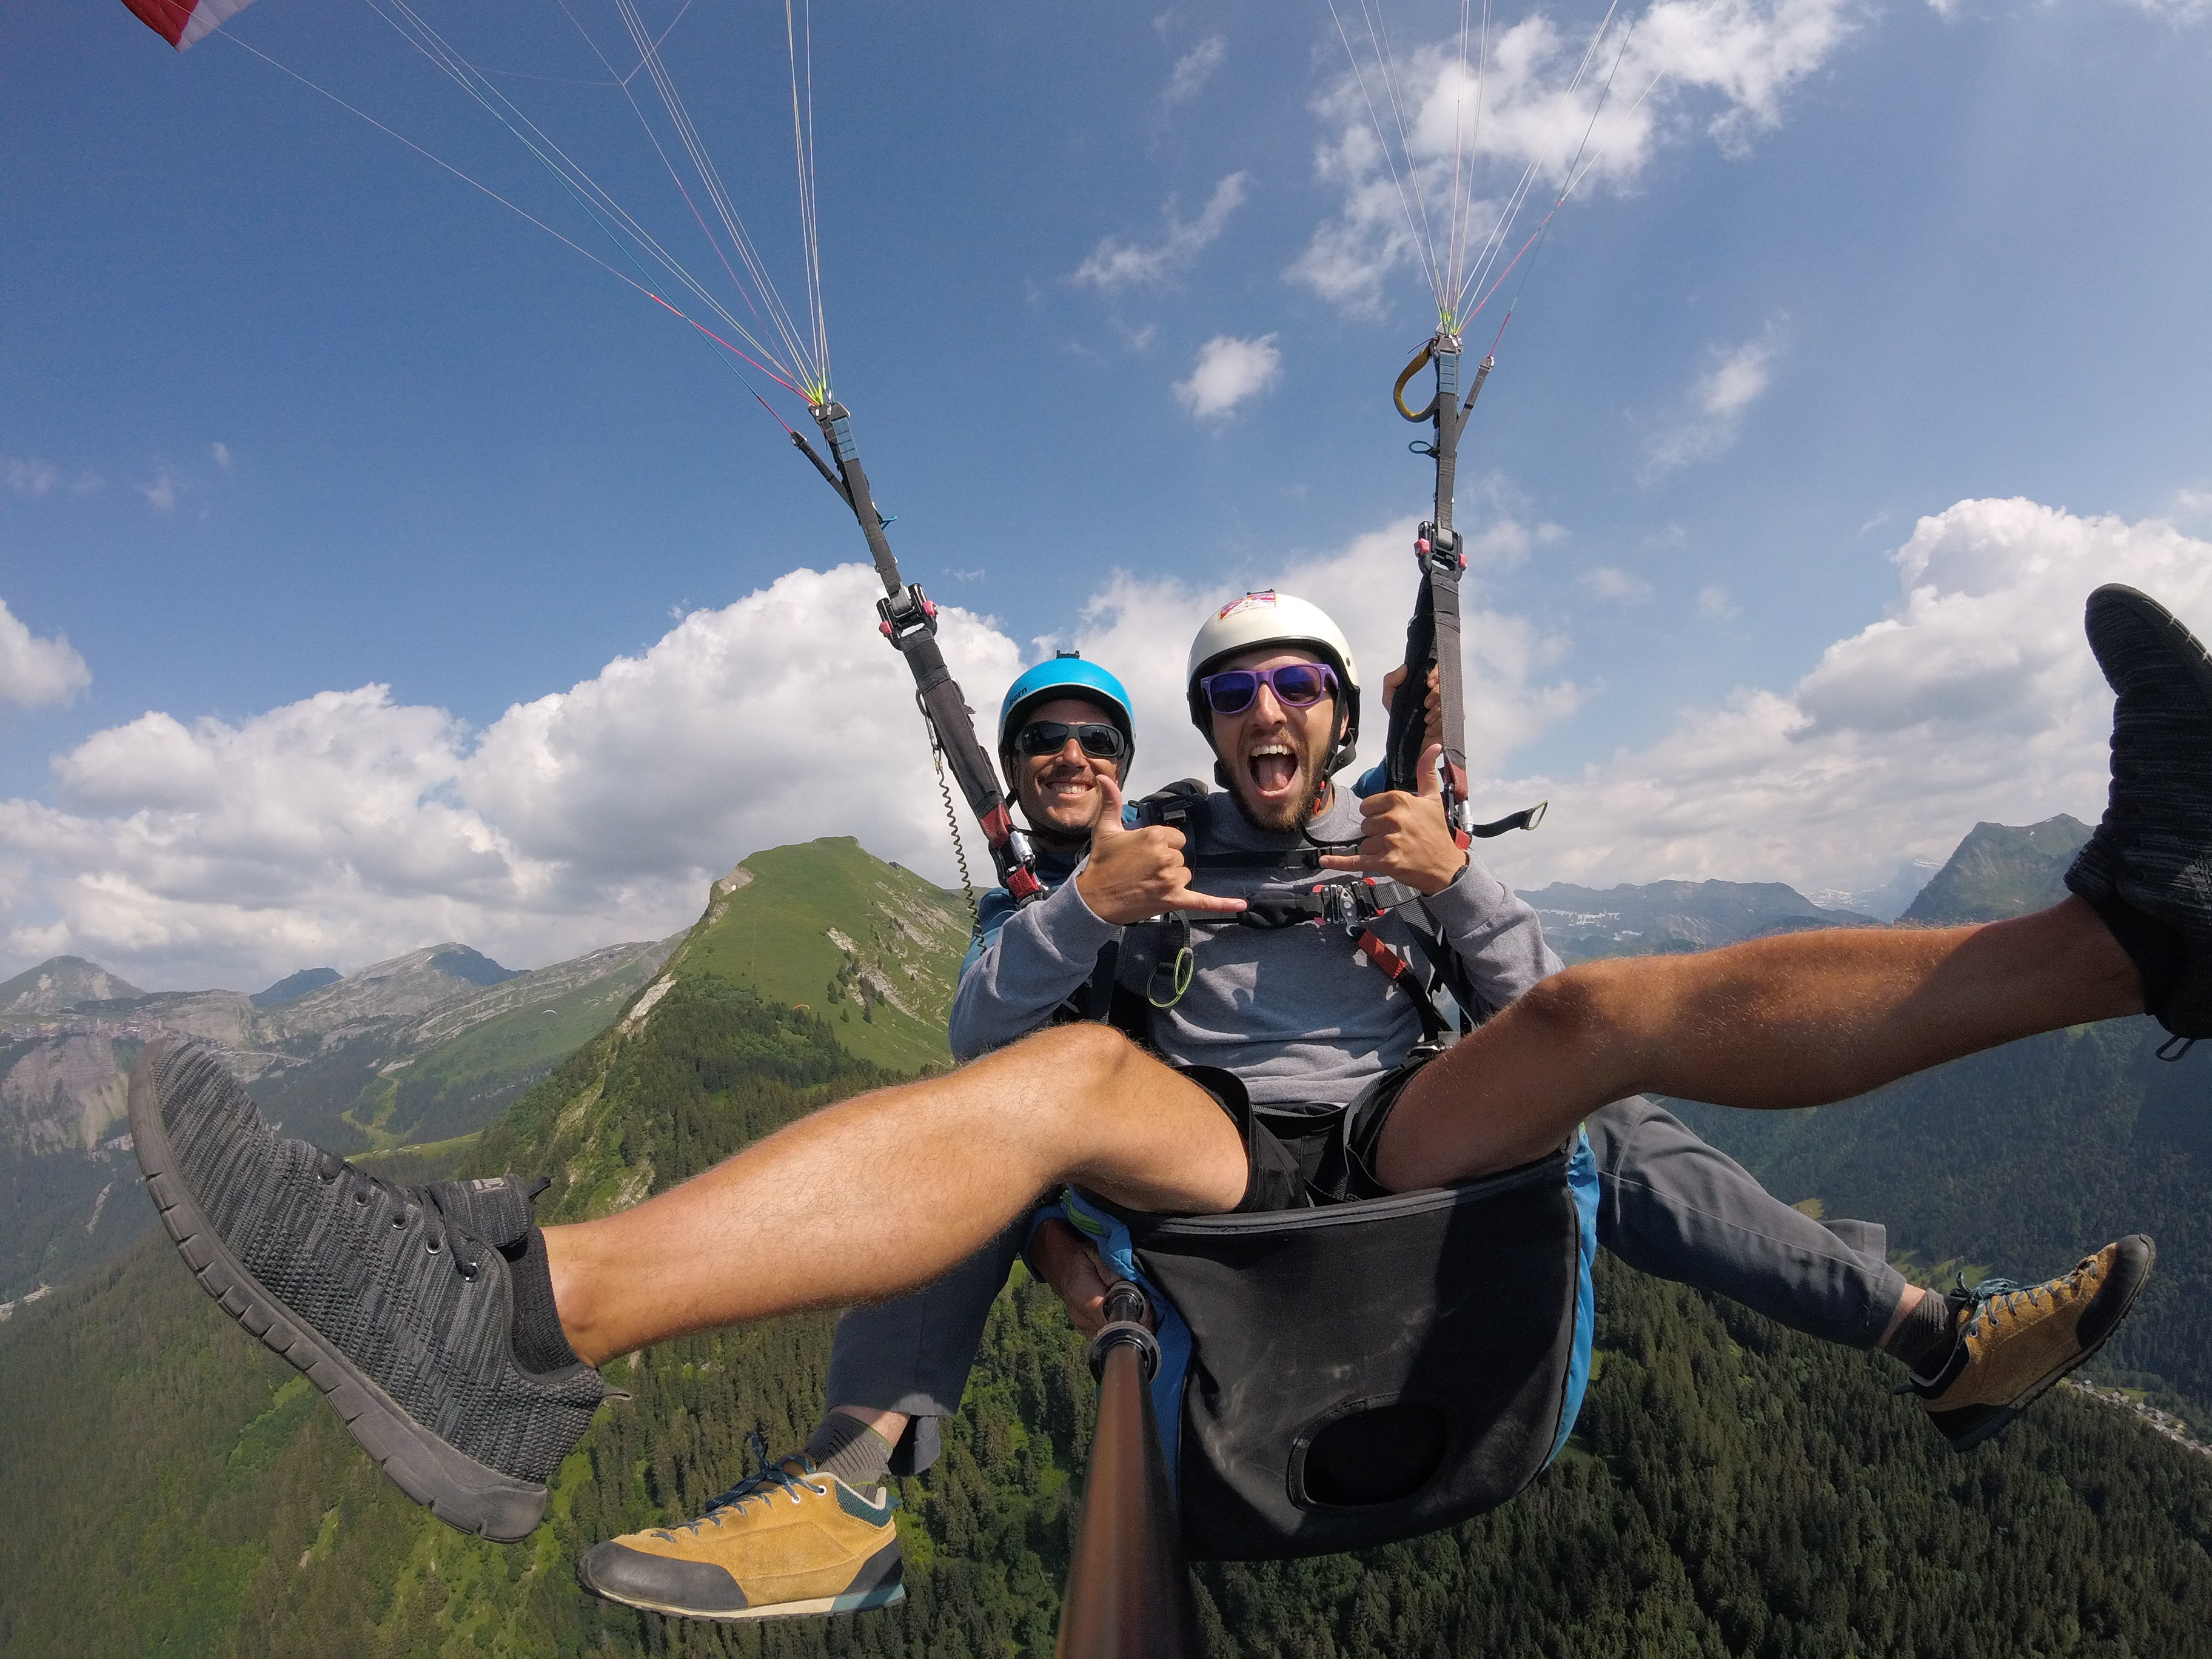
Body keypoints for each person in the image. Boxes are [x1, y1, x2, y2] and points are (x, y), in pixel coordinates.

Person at [131, 583, 2190, 1624]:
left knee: (1603, 1033)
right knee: (1048, 1083)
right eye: (1237, 695)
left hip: (1408, 1136)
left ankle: (2129, 937)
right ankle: (517, 1323)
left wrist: (1461, 889)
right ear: (1206, 729)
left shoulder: (1403, 851)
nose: (1270, 713)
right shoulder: (1150, 854)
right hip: (1206, 1156)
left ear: (1344, 715)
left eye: (1300, 688)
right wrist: (1085, 909)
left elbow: (1533, 1017)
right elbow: (983, 1033)